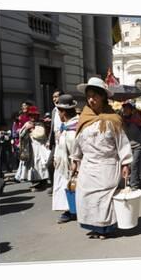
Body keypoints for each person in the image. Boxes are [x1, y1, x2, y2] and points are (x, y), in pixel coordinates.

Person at [70, 77, 133, 240]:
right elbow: (78, 141)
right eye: (89, 96)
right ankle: (94, 226)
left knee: (104, 197)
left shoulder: (113, 119)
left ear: (103, 97)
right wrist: (75, 159)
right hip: (88, 166)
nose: (91, 99)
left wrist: (126, 162)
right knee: (87, 197)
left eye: (95, 96)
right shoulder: (84, 118)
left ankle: (105, 228)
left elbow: (122, 142)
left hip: (107, 165)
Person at [51, 94, 79, 224]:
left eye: (59, 112)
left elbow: (75, 149)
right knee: (65, 188)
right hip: (62, 165)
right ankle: (69, 210)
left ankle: (72, 211)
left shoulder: (74, 128)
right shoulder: (66, 126)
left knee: (71, 188)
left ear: (64, 112)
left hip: (71, 166)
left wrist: (74, 164)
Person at [121, 101, 141, 190]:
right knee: (128, 165)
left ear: (131, 110)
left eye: (127, 108)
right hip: (127, 146)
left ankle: (134, 184)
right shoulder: (121, 119)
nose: (125, 110)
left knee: (134, 164)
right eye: (124, 108)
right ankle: (135, 181)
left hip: (137, 145)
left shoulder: (137, 118)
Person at [26, 106, 51, 187]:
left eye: (34, 115)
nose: (32, 117)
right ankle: (36, 179)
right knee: (34, 164)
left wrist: (32, 130)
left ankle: (43, 180)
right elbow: (21, 133)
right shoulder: (28, 124)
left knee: (41, 163)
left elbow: (41, 134)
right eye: (31, 115)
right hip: (32, 147)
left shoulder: (40, 124)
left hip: (40, 146)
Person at [46, 89, 63, 195]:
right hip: (55, 143)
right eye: (53, 97)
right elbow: (53, 128)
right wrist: (49, 140)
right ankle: (53, 185)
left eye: (56, 96)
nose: (54, 99)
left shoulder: (67, 109)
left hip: (65, 140)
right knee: (49, 164)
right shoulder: (54, 111)